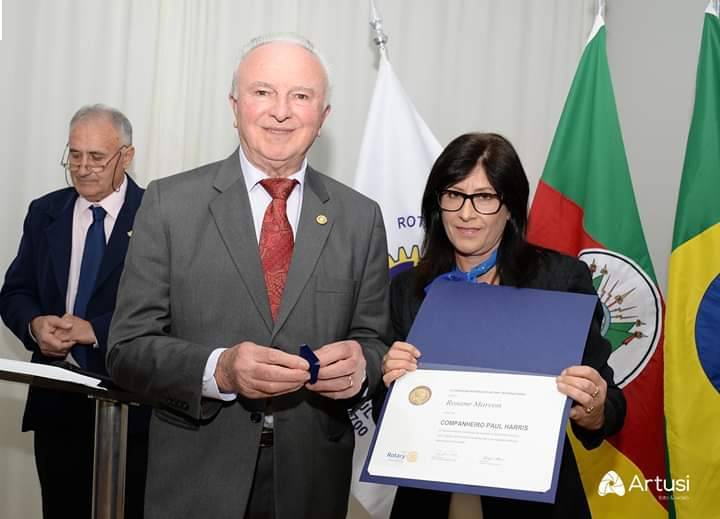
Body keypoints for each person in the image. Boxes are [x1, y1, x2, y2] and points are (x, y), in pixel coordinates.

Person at [106, 34, 390, 519]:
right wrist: (218, 370)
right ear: (234, 106)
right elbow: (127, 349)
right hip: (196, 481)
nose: (281, 111)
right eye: (263, 92)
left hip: (312, 485)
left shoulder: (360, 217)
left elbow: (375, 340)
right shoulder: (169, 204)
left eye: (300, 96)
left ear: (323, 116)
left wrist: (363, 366)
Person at [378, 132, 626, 518]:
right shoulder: (407, 289)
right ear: (437, 203)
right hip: (427, 497)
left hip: (532, 501)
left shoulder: (559, 280)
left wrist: (591, 408)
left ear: (510, 207)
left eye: (485, 197)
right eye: (454, 194)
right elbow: (382, 414)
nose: (466, 213)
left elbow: (610, 404)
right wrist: (391, 384)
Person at [0, 104, 149, 519]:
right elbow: (15, 292)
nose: (82, 169)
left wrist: (96, 330)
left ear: (127, 156)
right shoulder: (45, 211)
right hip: (58, 406)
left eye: (96, 157)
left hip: (131, 407)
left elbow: (172, 309)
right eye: (75, 155)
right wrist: (35, 325)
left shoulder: (156, 216)